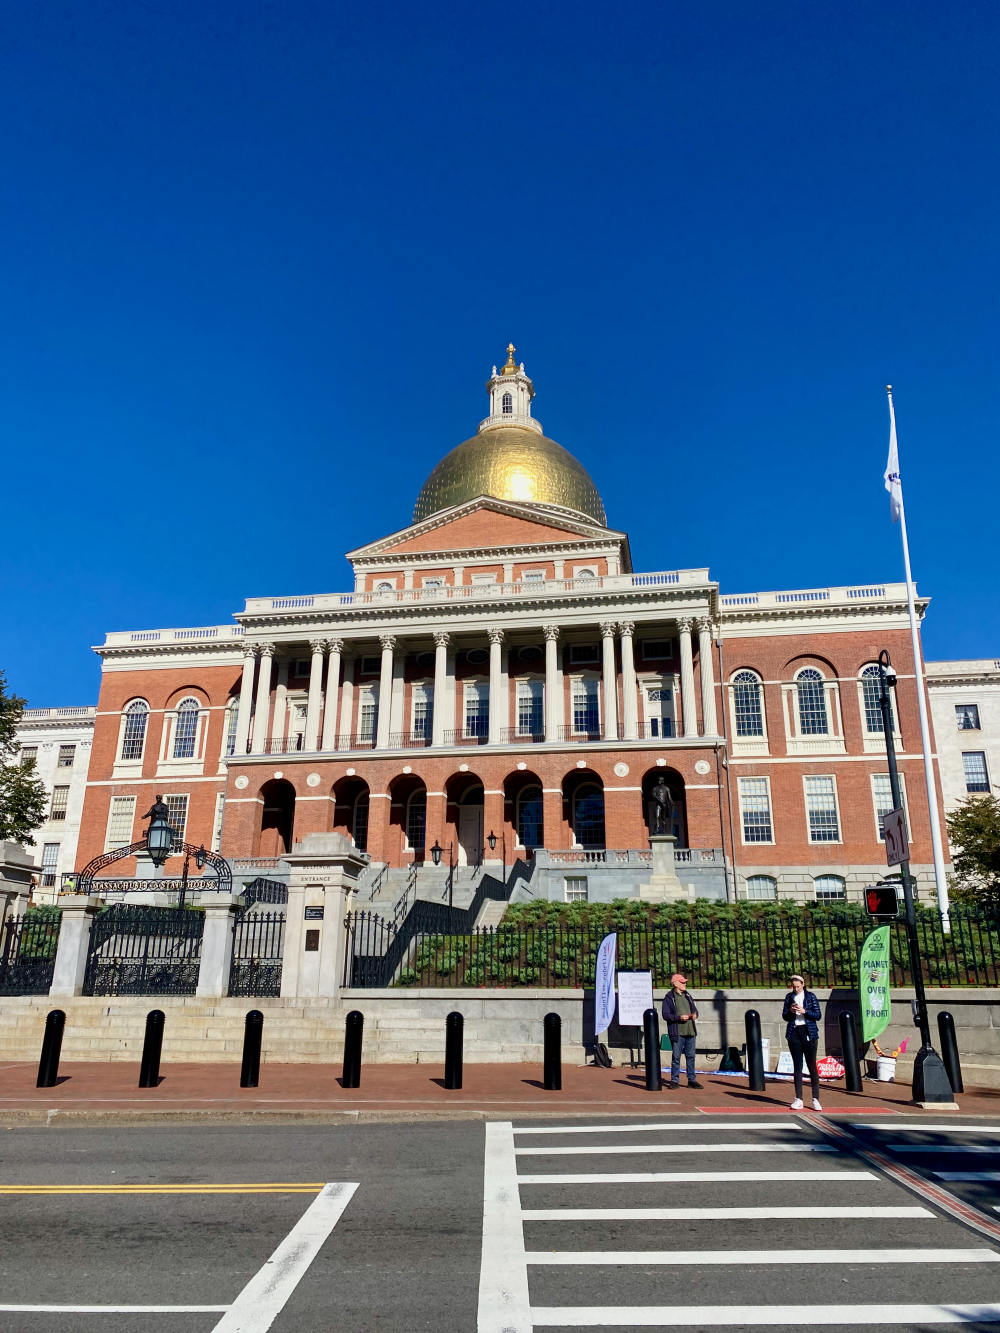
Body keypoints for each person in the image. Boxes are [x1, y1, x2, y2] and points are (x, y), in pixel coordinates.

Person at [782, 974, 823, 1110]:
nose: (796, 989)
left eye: (798, 986)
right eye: (794, 987)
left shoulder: (810, 996)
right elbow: (785, 1016)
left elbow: (817, 1015)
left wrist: (805, 1011)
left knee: (812, 1065)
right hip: (794, 1032)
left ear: (803, 984)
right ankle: (798, 1098)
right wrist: (791, 1011)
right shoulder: (789, 997)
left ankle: (815, 1098)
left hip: (808, 1032)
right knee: (797, 1066)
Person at [662, 972, 702, 1089]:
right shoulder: (669, 997)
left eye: (685, 982)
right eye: (682, 982)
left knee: (691, 1057)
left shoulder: (688, 996)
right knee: (676, 1057)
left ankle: (691, 1079)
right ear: (675, 984)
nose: (685, 984)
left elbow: (695, 1010)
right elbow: (665, 1015)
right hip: (678, 1032)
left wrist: (695, 1015)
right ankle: (674, 1080)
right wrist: (679, 1018)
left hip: (690, 1031)